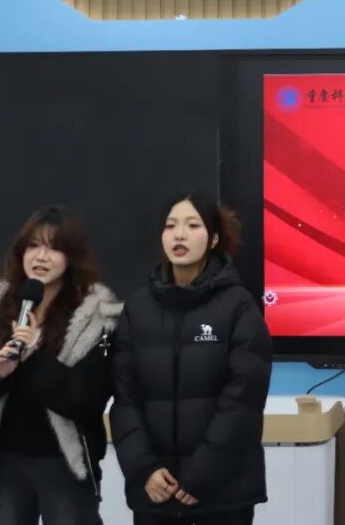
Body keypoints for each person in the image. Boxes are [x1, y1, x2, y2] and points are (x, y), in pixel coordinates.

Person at [0, 205, 122, 525]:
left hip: (66, 464)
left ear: (72, 257)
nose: (41, 257)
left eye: (54, 248)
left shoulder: (96, 316)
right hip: (5, 460)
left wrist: (34, 357)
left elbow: (87, 398)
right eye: (33, 246)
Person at [110, 191, 273, 525]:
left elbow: (242, 401)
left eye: (192, 225)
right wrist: (144, 469)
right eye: (171, 226)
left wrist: (203, 473)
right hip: (155, 493)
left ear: (213, 238)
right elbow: (124, 398)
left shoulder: (238, 306)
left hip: (222, 492)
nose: (179, 235)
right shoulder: (138, 308)